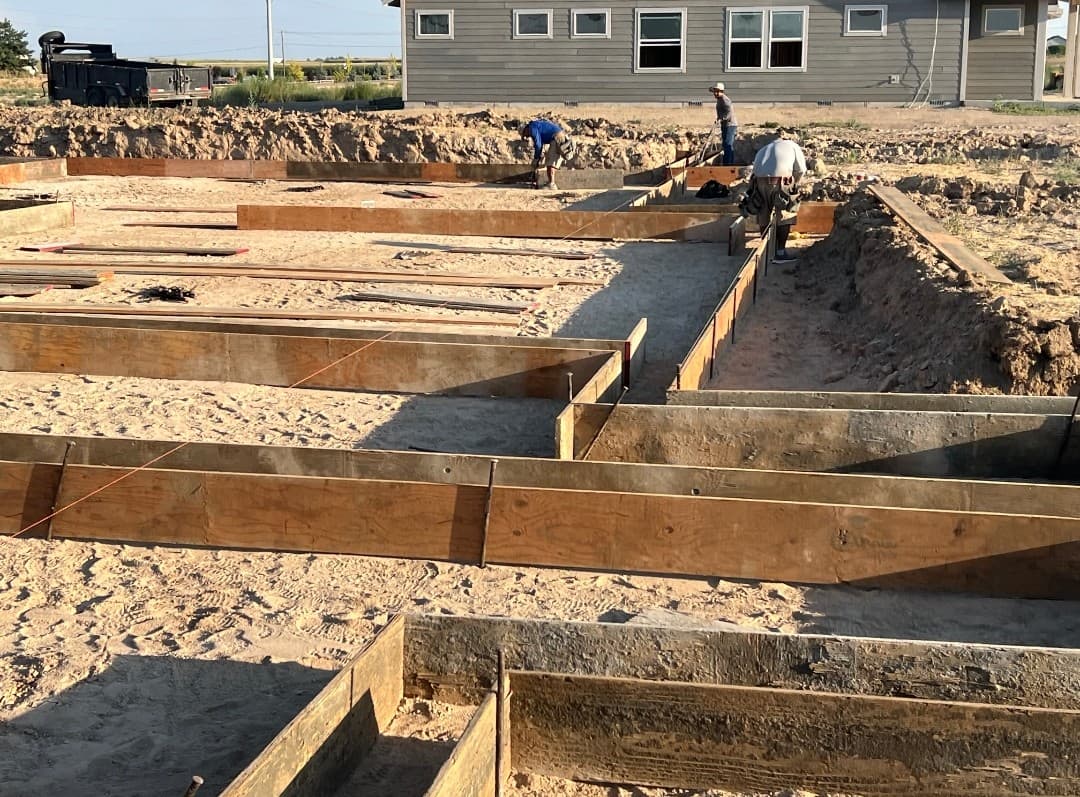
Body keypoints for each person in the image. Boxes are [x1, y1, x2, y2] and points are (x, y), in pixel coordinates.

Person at [738, 135, 807, 264]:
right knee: (785, 215)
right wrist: (793, 184)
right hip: (781, 181)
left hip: (759, 182)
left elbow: (755, 170)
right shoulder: (792, 146)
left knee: (763, 214)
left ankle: (767, 251)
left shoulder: (764, 148)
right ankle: (780, 253)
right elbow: (801, 170)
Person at [519, 119, 576, 190]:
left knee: (551, 161)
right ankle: (551, 182)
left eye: (525, 134)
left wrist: (536, 158)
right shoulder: (535, 125)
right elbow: (540, 142)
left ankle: (552, 184)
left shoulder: (532, 128)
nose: (527, 136)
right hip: (558, 137)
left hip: (557, 138)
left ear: (526, 129)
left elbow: (538, 144)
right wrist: (539, 156)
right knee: (551, 160)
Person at [709, 82, 738, 166]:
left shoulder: (725, 100)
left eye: (717, 91)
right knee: (727, 144)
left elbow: (729, 112)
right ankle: (730, 164)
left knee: (727, 144)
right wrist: (719, 118)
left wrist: (722, 118)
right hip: (725, 124)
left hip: (730, 124)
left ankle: (727, 165)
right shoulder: (719, 100)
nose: (715, 93)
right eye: (714, 91)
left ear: (722, 91)